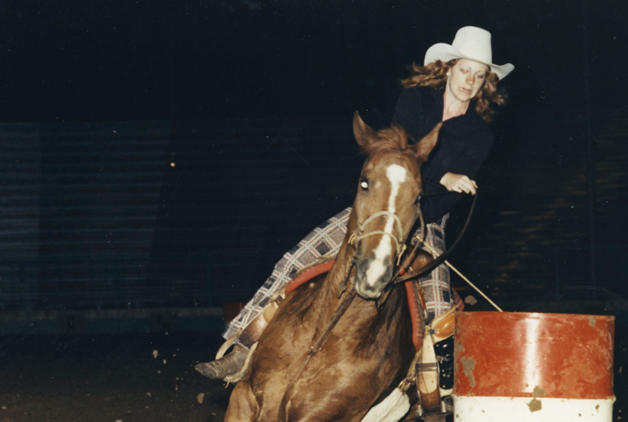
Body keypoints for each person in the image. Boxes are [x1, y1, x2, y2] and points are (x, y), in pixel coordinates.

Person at [195, 25, 513, 408]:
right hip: (381, 205)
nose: (470, 81)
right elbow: (395, 154)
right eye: (465, 71)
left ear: (486, 82)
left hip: (428, 217)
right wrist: (443, 176)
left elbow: (444, 198)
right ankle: (241, 346)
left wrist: (443, 188)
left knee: (441, 305)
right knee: (296, 259)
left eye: (479, 76)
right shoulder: (414, 101)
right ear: (449, 68)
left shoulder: (480, 136)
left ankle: (438, 393)